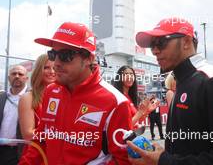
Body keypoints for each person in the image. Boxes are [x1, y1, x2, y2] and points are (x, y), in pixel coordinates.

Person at [127, 17, 213, 165]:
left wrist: (164, 161)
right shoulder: (183, 81)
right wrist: (164, 154)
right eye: (152, 45)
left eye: (161, 42)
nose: (154, 51)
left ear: (186, 42)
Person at [20, 22, 133, 164]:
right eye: (53, 54)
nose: (56, 63)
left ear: (89, 59)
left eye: (66, 55)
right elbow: (40, 141)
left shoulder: (116, 102)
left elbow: (123, 160)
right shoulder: (51, 91)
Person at [18, 54, 55, 162]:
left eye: (55, 68)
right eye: (46, 67)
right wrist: (61, 134)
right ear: (39, 70)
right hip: (36, 156)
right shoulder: (28, 98)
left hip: (57, 156)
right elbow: (28, 135)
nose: (52, 71)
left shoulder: (64, 96)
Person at [0, 65, 28, 164]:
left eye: (20, 74)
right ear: (8, 78)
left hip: (18, 152)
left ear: (26, 78)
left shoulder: (32, 97)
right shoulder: (2, 97)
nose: (17, 76)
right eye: (13, 74)